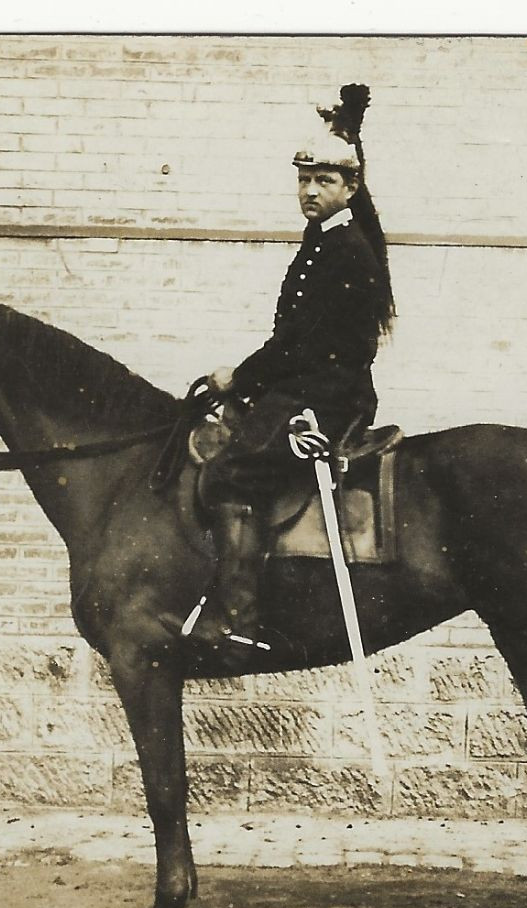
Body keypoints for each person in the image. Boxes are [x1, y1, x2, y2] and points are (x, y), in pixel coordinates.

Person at [164, 84, 396, 661]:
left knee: (229, 474)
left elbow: (299, 343)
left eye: (324, 181)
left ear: (350, 189)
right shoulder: (323, 243)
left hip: (326, 396)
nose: (310, 191)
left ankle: (240, 619)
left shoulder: (346, 251)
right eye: (303, 180)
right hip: (306, 385)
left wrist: (237, 379)